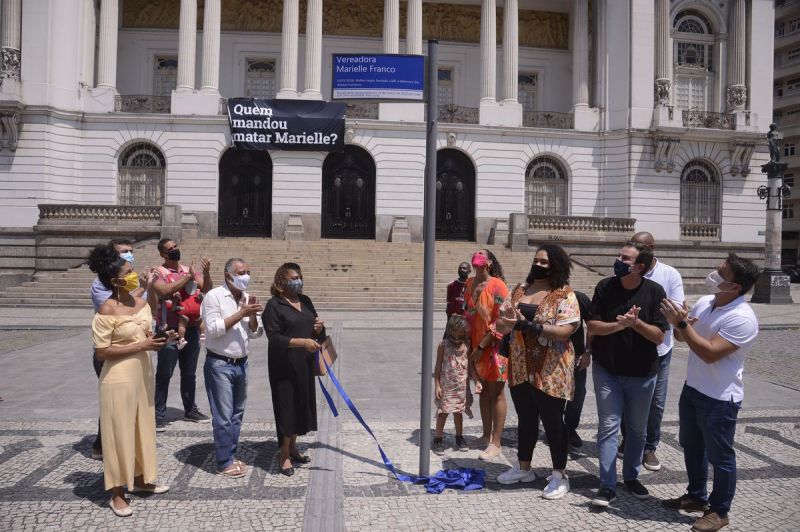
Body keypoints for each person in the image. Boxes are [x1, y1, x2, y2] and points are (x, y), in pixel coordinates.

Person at [660, 253, 760, 532]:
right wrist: (677, 321)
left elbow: (709, 353)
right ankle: (696, 497)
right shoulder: (707, 302)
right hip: (693, 389)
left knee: (721, 456)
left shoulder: (743, 318)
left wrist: (681, 325)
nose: (713, 275)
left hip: (720, 398)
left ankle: (719, 511)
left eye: (720, 273)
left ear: (735, 287)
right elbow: (684, 337)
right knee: (692, 446)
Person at [88, 243, 171, 517]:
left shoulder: (140, 302)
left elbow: (148, 329)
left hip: (143, 373)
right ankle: (117, 492)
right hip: (118, 377)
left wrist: (162, 339)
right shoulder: (106, 310)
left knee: (142, 426)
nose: (134, 274)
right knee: (118, 432)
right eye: (129, 272)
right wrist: (143, 347)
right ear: (115, 281)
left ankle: (141, 479)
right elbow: (102, 352)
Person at [495, 244, 580, 500]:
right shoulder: (520, 289)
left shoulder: (564, 294)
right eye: (536, 260)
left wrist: (529, 325)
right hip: (521, 365)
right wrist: (510, 322)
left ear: (556, 265)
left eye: (544, 262)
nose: (539, 265)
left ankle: (559, 476)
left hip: (550, 367)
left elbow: (567, 330)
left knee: (554, 422)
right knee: (526, 418)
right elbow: (501, 323)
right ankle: (524, 468)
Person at [587, 242, 668, 507]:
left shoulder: (655, 292)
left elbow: (658, 336)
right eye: (619, 255)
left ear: (640, 267)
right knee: (609, 427)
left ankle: (631, 476)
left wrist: (636, 324)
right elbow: (594, 325)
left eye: (625, 257)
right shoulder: (605, 287)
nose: (618, 260)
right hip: (607, 370)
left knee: (636, 429)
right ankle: (607, 485)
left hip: (643, 373)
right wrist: (619, 325)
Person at [618, 231, 685, 471]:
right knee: (628, 399)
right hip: (630, 347)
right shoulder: (626, 269)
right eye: (634, 246)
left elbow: (675, 310)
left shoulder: (669, 274)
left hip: (659, 348)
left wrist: (647, 318)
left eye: (642, 246)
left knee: (656, 402)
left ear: (652, 248)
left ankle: (649, 447)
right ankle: (629, 438)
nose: (637, 250)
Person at [88, 238, 151, 461]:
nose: (129, 256)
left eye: (131, 252)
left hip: (135, 358)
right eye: (124, 253)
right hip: (115, 358)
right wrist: (143, 288)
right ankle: (104, 447)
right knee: (114, 407)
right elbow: (120, 309)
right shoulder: (101, 290)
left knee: (131, 409)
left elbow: (138, 308)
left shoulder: (127, 286)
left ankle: (129, 454)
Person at [200, 258, 263, 478]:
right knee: (223, 415)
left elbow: (255, 332)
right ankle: (224, 461)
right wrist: (240, 314)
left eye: (248, 271)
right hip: (220, 363)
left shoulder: (246, 298)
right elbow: (214, 329)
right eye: (241, 272)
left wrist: (252, 314)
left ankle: (231, 453)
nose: (246, 275)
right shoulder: (214, 296)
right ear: (228, 276)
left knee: (237, 413)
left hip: (241, 363)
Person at [263, 262, 326, 476]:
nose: (298, 280)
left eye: (299, 276)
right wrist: (302, 342)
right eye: (293, 277)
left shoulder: (305, 300)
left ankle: (293, 447)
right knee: (286, 408)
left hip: (305, 365)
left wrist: (319, 328)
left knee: (301, 406)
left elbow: (316, 329)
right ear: (281, 283)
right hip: (284, 366)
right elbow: (274, 337)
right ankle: (283, 455)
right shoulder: (274, 305)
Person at [151, 237, 212, 431]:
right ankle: (159, 415)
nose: (175, 250)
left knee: (189, 373)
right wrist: (188, 278)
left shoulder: (188, 270)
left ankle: (190, 409)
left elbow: (208, 289)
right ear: (163, 254)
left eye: (176, 247)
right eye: (170, 249)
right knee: (164, 373)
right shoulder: (158, 272)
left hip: (191, 329)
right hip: (168, 330)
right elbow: (163, 291)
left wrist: (206, 273)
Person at [464, 249, 509, 460]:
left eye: (481, 254)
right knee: (483, 391)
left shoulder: (497, 285)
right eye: (475, 254)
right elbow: (466, 314)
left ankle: (496, 442)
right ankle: (484, 435)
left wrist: (482, 345)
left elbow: (502, 320)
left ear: (488, 262)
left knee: (496, 392)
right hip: (474, 346)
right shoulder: (469, 283)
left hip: (494, 346)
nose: (477, 257)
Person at [433, 314, 482, 454]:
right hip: (446, 387)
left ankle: (459, 437)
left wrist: (477, 382)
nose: (455, 340)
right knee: (443, 413)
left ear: (465, 334)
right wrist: (437, 384)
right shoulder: (443, 345)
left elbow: (471, 367)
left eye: (459, 337)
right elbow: (437, 366)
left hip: (461, 387)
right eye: (452, 336)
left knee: (458, 413)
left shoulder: (467, 346)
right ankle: (438, 438)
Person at [564, 289, 592, 450]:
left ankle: (570, 428)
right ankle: (555, 427)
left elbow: (592, 325)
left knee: (578, 394)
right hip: (551, 357)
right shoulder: (544, 297)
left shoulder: (579, 298)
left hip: (577, 357)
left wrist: (587, 352)